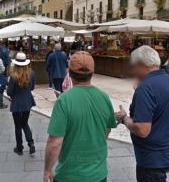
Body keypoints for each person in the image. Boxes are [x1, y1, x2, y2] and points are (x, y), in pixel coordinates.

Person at [115, 46, 169, 182]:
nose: (132, 70)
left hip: (153, 158)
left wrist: (124, 118)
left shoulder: (146, 88)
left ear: (141, 65)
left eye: (133, 66)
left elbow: (142, 130)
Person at [44, 51, 116, 182]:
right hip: (98, 174)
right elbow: (107, 130)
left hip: (69, 175)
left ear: (69, 73)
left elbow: (55, 143)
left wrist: (47, 171)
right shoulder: (104, 97)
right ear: (92, 73)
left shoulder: (63, 100)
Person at [7, 52, 36, 156]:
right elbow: (32, 87)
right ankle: (31, 143)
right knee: (25, 123)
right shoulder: (31, 73)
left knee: (18, 126)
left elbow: (9, 92)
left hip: (16, 103)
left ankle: (19, 148)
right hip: (27, 102)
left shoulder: (13, 76)